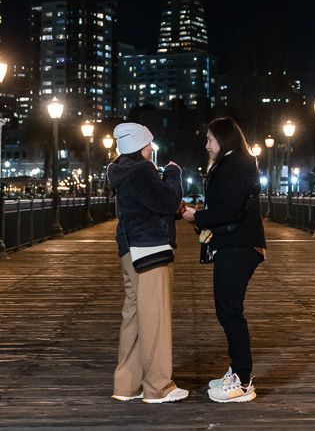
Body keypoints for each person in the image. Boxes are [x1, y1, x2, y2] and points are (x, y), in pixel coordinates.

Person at [182, 117, 266, 403]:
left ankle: (243, 381)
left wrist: (196, 216)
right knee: (228, 310)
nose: (206, 145)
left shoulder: (231, 166)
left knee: (230, 311)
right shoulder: (238, 163)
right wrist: (203, 214)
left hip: (238, 244)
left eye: (210, 140)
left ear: (224, 141)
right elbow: (228, 206)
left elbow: (227, 211)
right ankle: (237, 371)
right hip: (239, 243)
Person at [108, 122, 188, 404]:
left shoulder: (121, 171)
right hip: (150, 250)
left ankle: (127, 384)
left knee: (134, 317)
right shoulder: (142, 171)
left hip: (130, 251)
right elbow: (167, 201)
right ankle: (158, 387)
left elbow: (147, 207)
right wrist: (174, 173)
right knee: (154, 318)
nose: (152, 148)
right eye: (148, 144)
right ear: (139, 147)